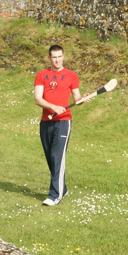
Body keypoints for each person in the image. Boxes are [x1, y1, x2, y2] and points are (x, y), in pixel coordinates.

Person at [34, 44, 91, 206]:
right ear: (49, 58)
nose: (57, 60)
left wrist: (83, 98)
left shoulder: (72, 76)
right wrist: (53, 107)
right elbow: (38, 99)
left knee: (57, 157)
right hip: (46, 121)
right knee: (50, 158)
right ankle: (62, 188)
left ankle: (55, 195)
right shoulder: (42, 75)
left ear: (63, 56)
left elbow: (77, 99)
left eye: (59, 57)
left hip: (64, 122)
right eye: (54, 57)